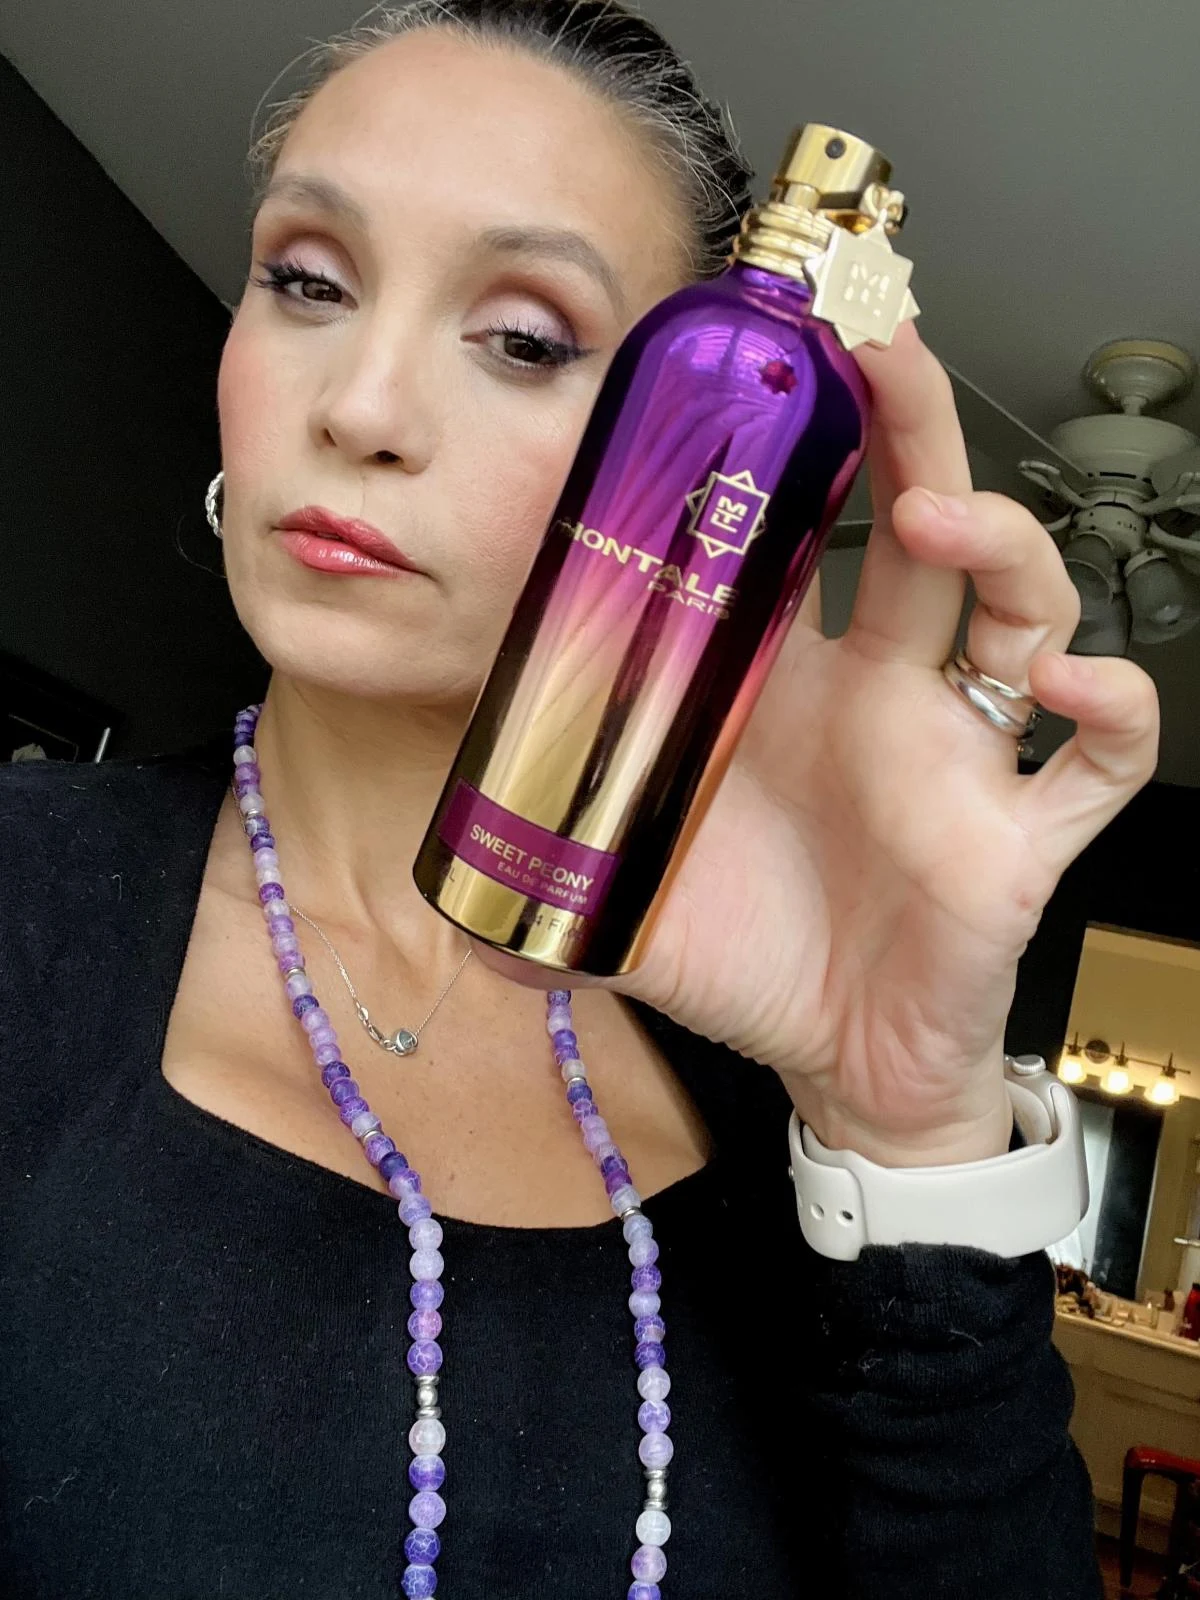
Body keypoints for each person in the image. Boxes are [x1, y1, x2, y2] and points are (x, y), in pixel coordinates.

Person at [0, 3, 1159, 1596]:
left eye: (527, 338)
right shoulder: (27, 903)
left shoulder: (771, 1082)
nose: (359, 408)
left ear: (704, 453)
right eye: (308, 280)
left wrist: (907, 1136)